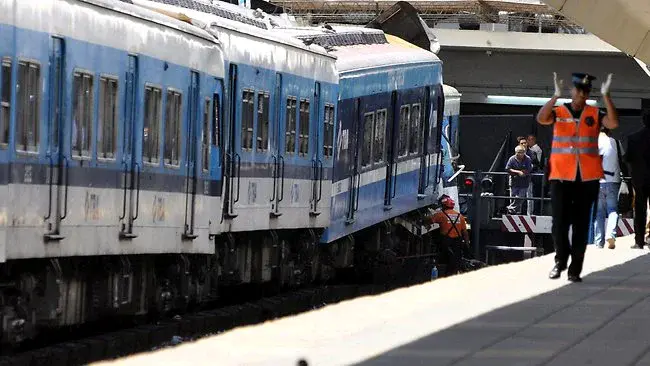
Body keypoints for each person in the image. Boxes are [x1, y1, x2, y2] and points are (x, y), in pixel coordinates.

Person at [536, 72, 619, 282]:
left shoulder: (595, 113)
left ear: (588, 93)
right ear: (572, 91)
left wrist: (606, 96)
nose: (581, 95)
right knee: (559, 224)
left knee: (581, 225)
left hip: (587, 178)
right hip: (561, 177)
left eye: (585, 92)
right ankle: (560, 260)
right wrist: (554, 96)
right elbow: (541, 118)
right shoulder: (559, 111)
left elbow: (613, 123)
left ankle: (575, 269)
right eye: (578, 91)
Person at [624, 109, 650, 248]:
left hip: (639, 179)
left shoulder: (633, 138)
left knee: (640, 209)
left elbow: (627, 158)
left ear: (643, 121)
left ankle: (639, 241)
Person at [593, 126, 622, 249]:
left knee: (599, 213)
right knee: (612, 210)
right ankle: (611, 234)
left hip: (597, 181)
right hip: (613, 180)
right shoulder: (615, 142)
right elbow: (622, 159)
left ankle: (598, 241)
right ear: (609, 131)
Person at [430, 194, 470, 276]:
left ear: (444, 205)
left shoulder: (441, 215)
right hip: (457, 243)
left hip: (445, 242)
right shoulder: (460, 216)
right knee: (455, 261)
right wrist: (467, 243)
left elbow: (430, 220)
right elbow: (465, 232)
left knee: (444, 260)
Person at [505, 145, 533, 214]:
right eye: (519, 152)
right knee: (513, 198)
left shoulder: (527, 159)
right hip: (514, 182)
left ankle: (510, 208)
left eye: (523, 152)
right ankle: (513, 213)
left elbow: (529, 169)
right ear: (516, 152)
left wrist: (524, 172)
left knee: (521, 197)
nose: (521, 154)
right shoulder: (511, 159)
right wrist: (518, 172)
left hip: (524, 183)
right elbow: (507, 168)